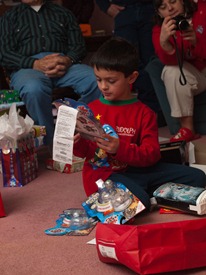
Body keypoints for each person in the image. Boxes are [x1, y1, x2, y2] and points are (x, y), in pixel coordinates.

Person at [73, 37, 206, 210]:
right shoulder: (90, 110)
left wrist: (119, 148)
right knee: (136, 202)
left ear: (132, 77)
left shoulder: (145, 113)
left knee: (198, 177)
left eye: (111, 81)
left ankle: (144, 190)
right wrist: (76, 143)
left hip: (139, 170)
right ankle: (146, 193)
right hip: (104, 175)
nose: (103, 86)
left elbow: (151, 155)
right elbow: (86, 154)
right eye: (99, 79)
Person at [0, 0, 101, 146]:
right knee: (33, 89)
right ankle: (51, 144)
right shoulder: (9, 17)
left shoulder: (63, 13)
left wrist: (68, 59)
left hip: (63, 63)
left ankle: (82, 132)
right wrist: (35, 63)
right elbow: (4, 54)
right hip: (27, 68)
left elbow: (79, 46)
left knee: (94, 80)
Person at [152, 0, 206, 142]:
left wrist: (197, 42)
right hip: (195, 75)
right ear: (158, 12)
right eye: (163, 7)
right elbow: (171, 62)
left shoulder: (202, 11)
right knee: (171, 71)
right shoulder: (160, 29)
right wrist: (164, 42)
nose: (170, 8)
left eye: (173, 1)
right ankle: (187, 129)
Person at [95, 0, 162, 115]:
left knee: (151, 61)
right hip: (124, 10)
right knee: (124, 61)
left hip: (150, 8)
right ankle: (127, 112)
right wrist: (105, 6)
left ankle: (150, 113)